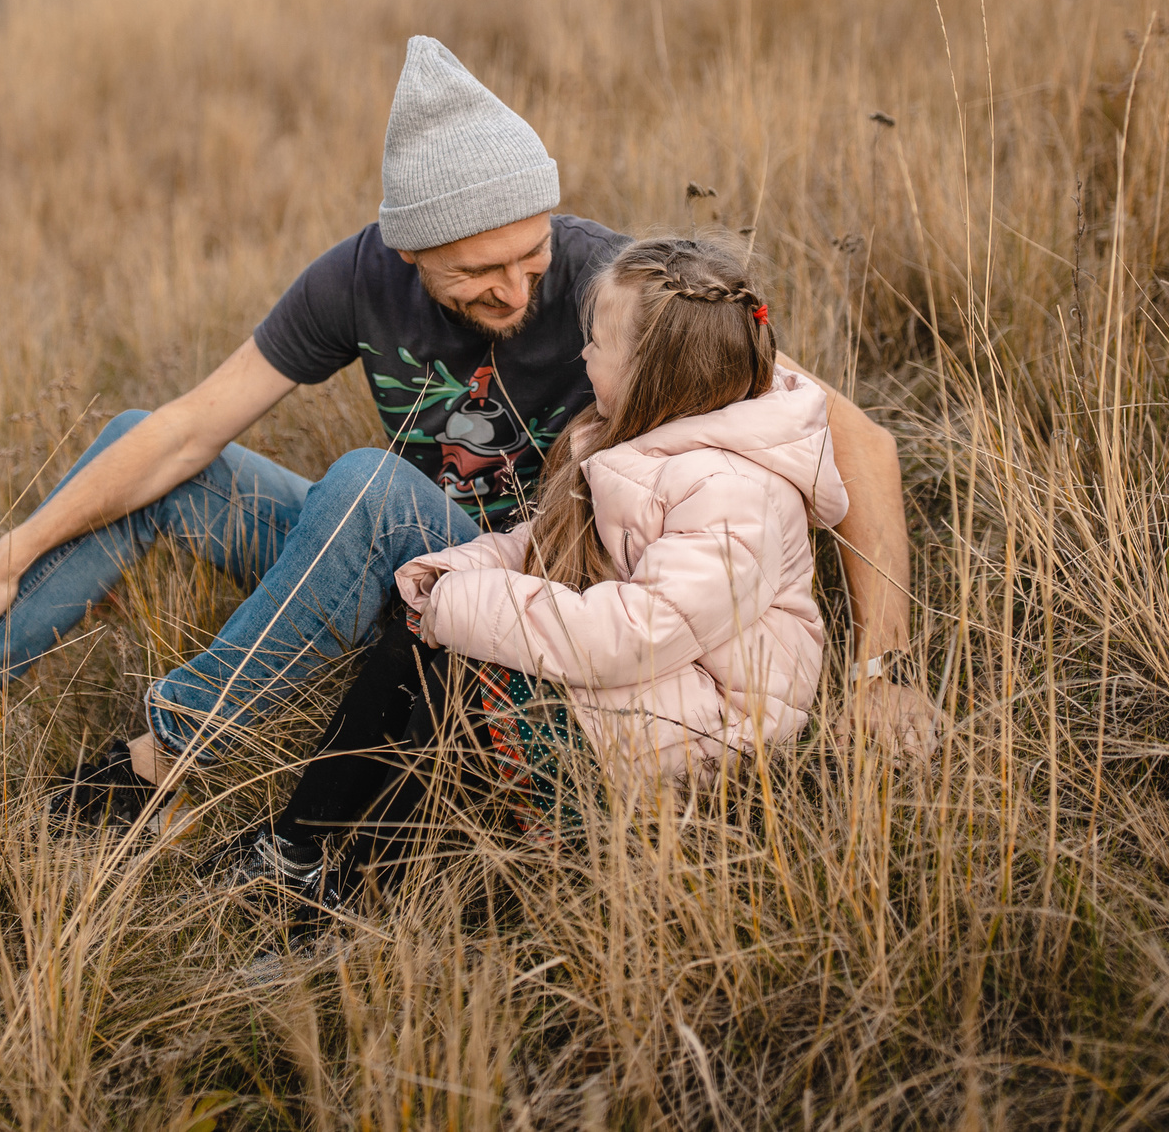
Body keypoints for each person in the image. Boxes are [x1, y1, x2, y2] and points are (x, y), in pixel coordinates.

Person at [0, 36, 935, 797]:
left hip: (528, 617)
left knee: (369, 482)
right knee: (143, 441)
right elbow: (194, 427)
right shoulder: (357, 279)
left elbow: (853, 439)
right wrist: (12, 546)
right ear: (409, 256)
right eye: (476, 275)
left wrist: (880, 672)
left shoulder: (613, 285)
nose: (515, 290)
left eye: (528, 256)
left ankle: (166, 759)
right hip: (398, 565)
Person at [211, 235, 845, 923]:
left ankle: (360, 897)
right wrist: (458, 571)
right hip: (651, 684)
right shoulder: (639, 438)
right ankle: (299, 847)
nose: (582, 355)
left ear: (653, 372)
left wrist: (470, 605)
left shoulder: (733, 493)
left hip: (705, 736)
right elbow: (538, 540)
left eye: (597, 343)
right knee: (429, 625)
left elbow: (633, 632)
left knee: (463, 677)